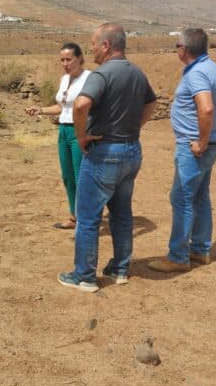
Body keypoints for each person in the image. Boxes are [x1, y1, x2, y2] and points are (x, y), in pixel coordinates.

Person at [58, 24, 157, 292]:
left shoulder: (101, 74)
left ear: (107, 45)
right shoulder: (137, 72)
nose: (90, 48)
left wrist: (81, 137)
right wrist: (135, 127)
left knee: (88, 217)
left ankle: (84, 276)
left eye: (93, 44)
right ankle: (120, 268)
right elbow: (151, 103)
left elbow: (80, 105)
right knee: (122, 214)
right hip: (131, 151)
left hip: (104, 154)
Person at [148, 29, 216, 272]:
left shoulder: (196, 73)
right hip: (209, 141)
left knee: (182, 197)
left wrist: (203, 140)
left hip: (195, 146)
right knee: (199, 195)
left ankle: (177, 256)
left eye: (177, 45)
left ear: (183, 49)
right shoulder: (212, 68)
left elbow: (206, 108)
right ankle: (200, 250)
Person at [25, 43, 91, 230]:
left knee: (81, 178)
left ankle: (86, 219)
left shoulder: (90, 78)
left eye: (69, 59)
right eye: (62, 60)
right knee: (68, 177)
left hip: (80, 131)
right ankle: (74, 217)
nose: (65, 63)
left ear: (79, 58)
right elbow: (62, 108)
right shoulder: (64, 80)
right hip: (63, 131)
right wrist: (40, 110)